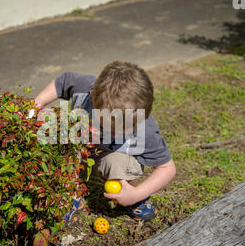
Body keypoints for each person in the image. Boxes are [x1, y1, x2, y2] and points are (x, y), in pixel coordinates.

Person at [33, 61, 176, 222]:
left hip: (112, 157)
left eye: (125, 129)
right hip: (79, 148)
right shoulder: (85, 90)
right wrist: (36, 105)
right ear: (93, 94)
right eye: (107, 125)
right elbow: (63, 82)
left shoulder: (145, 129)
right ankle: (70, 195)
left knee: (119, 164)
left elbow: (167, 168)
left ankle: (130, 195)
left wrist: (136, 194)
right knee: (53, 132)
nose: (113, 133)